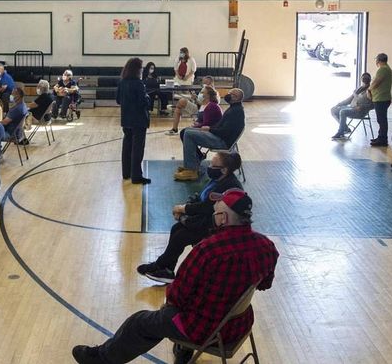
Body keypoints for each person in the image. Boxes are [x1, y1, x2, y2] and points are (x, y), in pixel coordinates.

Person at [72, 189, 278, 364]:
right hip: (238, 323)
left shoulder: (208, 250)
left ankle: (101, 358)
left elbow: (178, 294)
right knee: (190, 304)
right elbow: (265, 284)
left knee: (140, 322)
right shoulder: (266, 246)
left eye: (216, 213)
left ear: (223, 218)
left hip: (204, 329)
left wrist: (169, 304)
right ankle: (184, 351)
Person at [137, 152, 244, 284]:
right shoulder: (218, 179)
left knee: (181, 236)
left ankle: (163, 267)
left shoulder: (227, 186)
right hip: (207, 219)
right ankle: (166, 268)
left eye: (212, 165)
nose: (209, 167)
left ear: (224, 169)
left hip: (219, 226)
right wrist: (184, 210)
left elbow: (206, 208)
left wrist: (183, 210)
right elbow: (199, 197)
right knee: (177, 229)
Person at [176, 88, 246, 182]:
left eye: (232, 94)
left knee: (188, 134)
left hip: (222, 142)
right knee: (187, 131)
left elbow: (225, 132)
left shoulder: (236, 111)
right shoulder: (233, 108)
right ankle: (192, 165)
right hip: (220, 137)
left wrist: (210, 129)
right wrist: (208, 128)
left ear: (237, 98)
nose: (229, 95)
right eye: (229, 92)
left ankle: (191, 170)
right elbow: (221, 126)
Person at [117, 57, 151, 185]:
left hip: (126, 118)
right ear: (137, 69)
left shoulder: (122, 82)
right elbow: (144, 102)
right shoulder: (138, 83)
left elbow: (118, 100)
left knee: (127, 145)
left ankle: (126, 173)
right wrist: (148, 98)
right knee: (138, 148)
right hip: (139, 119)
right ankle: (136, 175)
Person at [329, 72, 372, 140]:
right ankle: (345, 128)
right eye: (363, 78)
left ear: (369, 80)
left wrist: (362, 107)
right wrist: (339, 104)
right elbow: (348, 100)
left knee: (343, 112)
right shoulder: (358, 89)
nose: (364, 80)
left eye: (366, 78)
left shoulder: (370, 90)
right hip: (351, 108)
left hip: (360, 111)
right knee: (333, 110)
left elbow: (372, 105)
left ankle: (340, 132)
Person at [368, 53, 392, 147]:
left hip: (381, 98)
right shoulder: (386, 69)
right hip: (382, 98)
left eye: (376, 60)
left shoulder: (383, 69)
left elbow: (376, 82)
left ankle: (383, 139)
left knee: (382, 120)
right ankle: (381, 137)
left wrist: (369, 90)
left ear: (378, 60)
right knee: (381, 119)